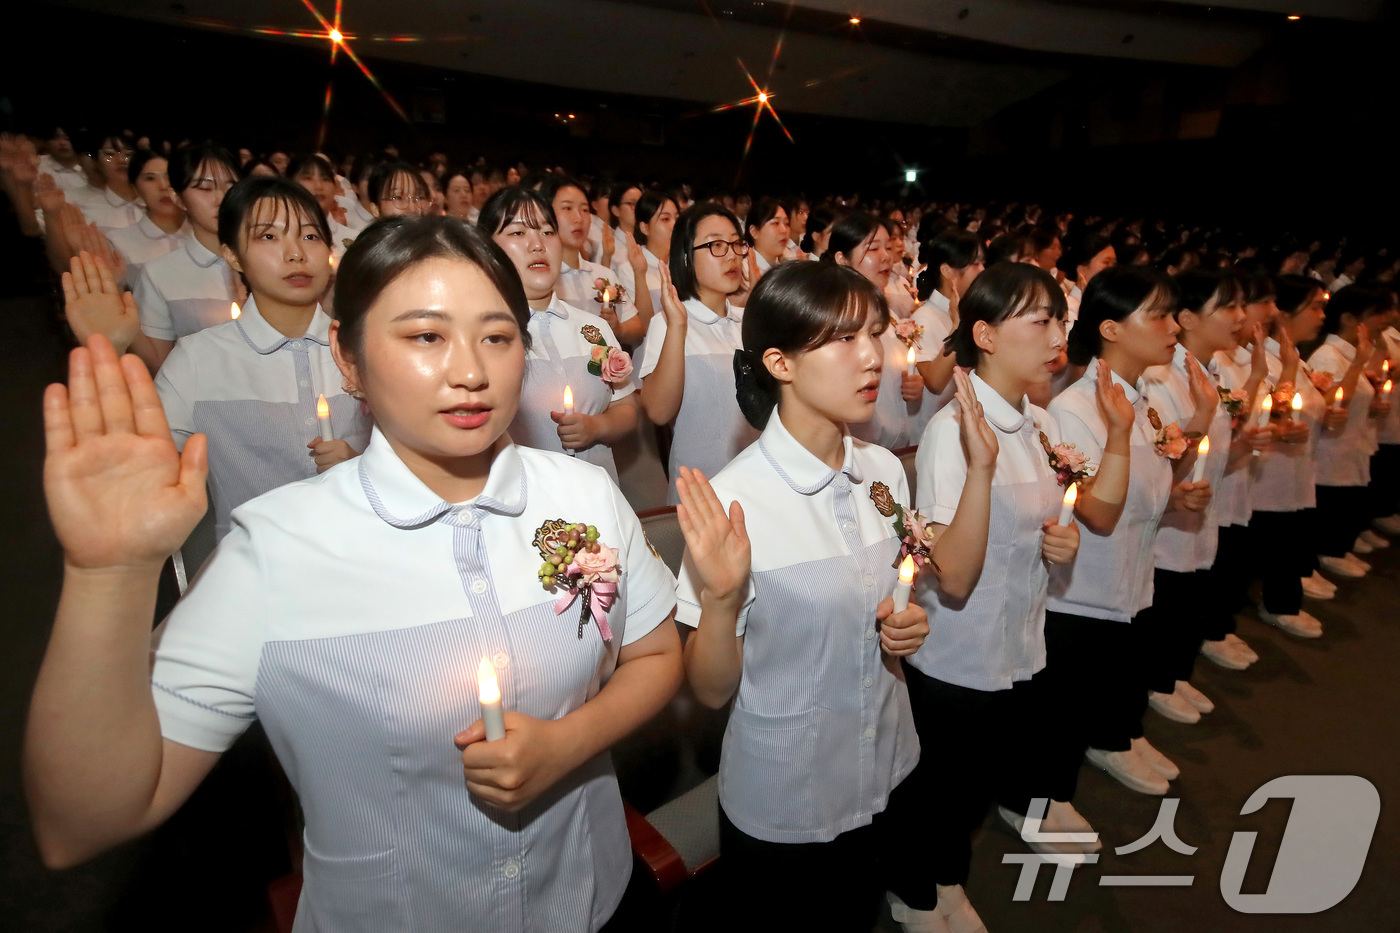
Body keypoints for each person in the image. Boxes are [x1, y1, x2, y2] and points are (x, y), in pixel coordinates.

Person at [26, 213, 684, 932]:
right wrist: (108, 574)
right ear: (347, 356)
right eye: (425, 335)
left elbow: (655, 653)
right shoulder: (274, 551)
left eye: (497, 337)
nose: (470, 371)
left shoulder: (581, 494)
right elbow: (81, 823)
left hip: (591, 898)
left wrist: (570, 742)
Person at [676, 261, 965, 931]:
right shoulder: (732, 500)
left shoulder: (883, 468)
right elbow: (712, 690)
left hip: (887, 757)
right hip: (789, 792)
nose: (872, 356)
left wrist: (906, 622)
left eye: (873, 333)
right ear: (778, 360)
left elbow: (890, 593)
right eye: (841, 339)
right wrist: (720, 601)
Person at [903, 261, 1084, 931]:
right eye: (1040, 320)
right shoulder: (956, 431)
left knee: (973, 776)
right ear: (984, 332)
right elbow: (948, 563)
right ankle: (920, 887)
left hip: (1016, 633)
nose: (1056, 334)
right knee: (944, 783)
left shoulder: (1031, 419)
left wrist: (1055, 544)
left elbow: (1028, 522)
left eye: (1059, 318)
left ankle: (944, 872)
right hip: (961, 646)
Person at [1047, 265, 1208, 801]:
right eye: (1158, 315)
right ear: (1112, 329)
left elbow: (1148, 479)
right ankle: (1041, 799)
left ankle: (1116, 737)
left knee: (1121, 676)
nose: (1172, 327)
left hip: (1133, 575)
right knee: (1070, 701)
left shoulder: (1145, 401)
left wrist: (1173, 495)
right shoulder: (1075, 409)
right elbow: (1096, 511)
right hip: (1083, 592)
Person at [1140, 270, 1248, 724]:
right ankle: (1155, 682)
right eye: (1228, 307)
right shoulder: (1163, 380)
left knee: (1188, 600)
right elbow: (1165, 459)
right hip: (1166, 526)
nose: (1240, 318)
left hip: (1200, 514)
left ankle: (1172, 674)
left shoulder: (1211, 370)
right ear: (1187, 318)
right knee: (1167, 605)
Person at [480, 186, 639, 482]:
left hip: (599, 497)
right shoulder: (480, 337)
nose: (537, 245)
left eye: (547, 232)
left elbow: (627, 408)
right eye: (517, 233)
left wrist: (597, 427)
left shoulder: (593, 328)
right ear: (486, 249)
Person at [639, 202, 757, 502]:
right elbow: (658, 411)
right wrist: (677, 326)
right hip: (701, 494)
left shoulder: (751, 323)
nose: (731, 254)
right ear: (686, 257)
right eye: (716, 244)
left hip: (758, 487)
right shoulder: (668, 322)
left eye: (735, 244)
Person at [1249, 276, 1333, 636]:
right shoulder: (1267, 356)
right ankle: (1278, 603)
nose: (1321, 315)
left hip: (1293, 470)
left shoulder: (1294, 356)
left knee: (1285, 539)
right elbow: (1274, 411)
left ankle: (1284, 597)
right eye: (1314, 306)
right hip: (1268, 474)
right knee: (1270, 543)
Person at [129, 143, 241, 372]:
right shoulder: (160, 274)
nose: (221, 198)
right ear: (178, 198)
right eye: (204, 188)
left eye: (231, 185)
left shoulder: (268, 261)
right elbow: (160, 365)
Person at [1306, 286, 1390, 576]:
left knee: (1343, 507)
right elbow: (1327, 403)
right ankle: (1321, 557)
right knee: (1330, 510)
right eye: (1376, 313)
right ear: (1350, 319)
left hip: (1349, 447)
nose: (1385, 319)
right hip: (1331, 452)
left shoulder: (1354, 354)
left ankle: (1333, 551)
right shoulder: (1329, 356)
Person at [824, 214, 927, 449]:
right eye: (873, 248)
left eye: (888, 247)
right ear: (842, 258)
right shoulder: (834, 322)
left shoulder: (890, 316)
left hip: (898, 448)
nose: (886, 256)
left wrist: (914, 385)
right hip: (858, 448)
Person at [540, 176, 649, 347]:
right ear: (544, 214)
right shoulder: (539, 278)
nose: (579, 218)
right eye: (567, 208)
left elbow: (637, 331)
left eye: (584, 210)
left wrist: (618, 328)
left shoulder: (604, 275)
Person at [104, 150, 188, 283]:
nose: (164, 186)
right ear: (135, 188)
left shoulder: (203, 233)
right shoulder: (119, 242)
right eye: (150, 178)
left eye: (169, 177)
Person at [745, 197, 790, 276]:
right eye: (775, 223)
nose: (784, 230)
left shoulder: (785, 266)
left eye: (787, 224)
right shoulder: (744, 271)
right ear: (754, 231)